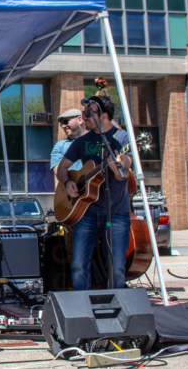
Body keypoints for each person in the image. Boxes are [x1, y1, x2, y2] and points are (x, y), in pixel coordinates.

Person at [55, 96, 132, 290]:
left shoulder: (122, 138)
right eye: (83, 114)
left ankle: (117, 309)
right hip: (86, 213)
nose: (84, 118)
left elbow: (123, 175)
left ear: (103, 116)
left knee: (116, 267)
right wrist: (68, 181)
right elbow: (62, 167)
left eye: (88, 114)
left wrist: (115, 164)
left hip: (116, 213)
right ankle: (83, 308)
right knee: (79, 266)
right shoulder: (82, 141)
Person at [50, 108, 87, 175]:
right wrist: (68, 182)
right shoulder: (60, 146)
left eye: (66, 121)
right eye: (61, 124)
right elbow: (58, 171)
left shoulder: (95, 140)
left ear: (80, 120)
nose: (64, 126)